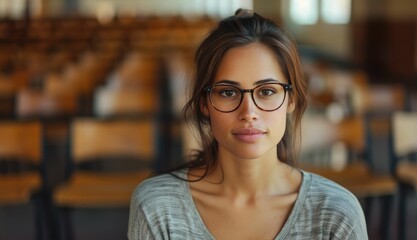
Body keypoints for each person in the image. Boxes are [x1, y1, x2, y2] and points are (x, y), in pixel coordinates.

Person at [128, 9, 368, 240]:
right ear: (204, 103)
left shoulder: (337, 213)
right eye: (228, 92)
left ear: (291, 99)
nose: (248, 112)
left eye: (266, 91)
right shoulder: (157, 207)